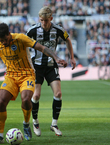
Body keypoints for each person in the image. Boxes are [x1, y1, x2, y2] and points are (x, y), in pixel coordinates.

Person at [0, 22, 67, 144]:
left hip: (27, 75)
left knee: (26, 99)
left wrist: (56, 58)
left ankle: (26, 124)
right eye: (1, 40)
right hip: (11, 76)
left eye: (5, 39)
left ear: (9, 34)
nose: (3, 42)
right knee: (1, 101)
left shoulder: (20, 38)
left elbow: (42, 48)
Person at [26, 6, 76, 137]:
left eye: (46, 20)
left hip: (51, 65)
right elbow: (23, 43)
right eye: (41, 20)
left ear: (51, 18)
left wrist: (72, 57)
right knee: (36, 96)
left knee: (58, 93)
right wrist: (27, 61)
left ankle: (54, 124)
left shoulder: (58, 29)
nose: (43, 23)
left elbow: (68, 40)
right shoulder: (33, 30)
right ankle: (35, 121)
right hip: (36, 66)